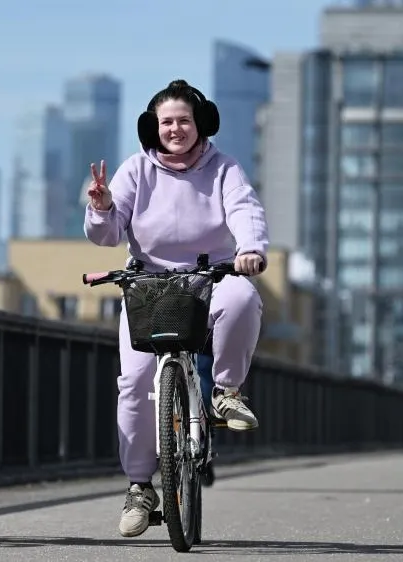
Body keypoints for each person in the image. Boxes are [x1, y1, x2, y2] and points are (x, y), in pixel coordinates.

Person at [83, 79, 268, 537]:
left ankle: (227, 392)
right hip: (149, 284)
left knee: (244, 297)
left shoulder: (224, 169)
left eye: (184, 120)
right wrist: (102, 208)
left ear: (200, 123)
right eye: (166, 122)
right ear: (154, 127)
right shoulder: (134, 170)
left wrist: (250, 249)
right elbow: (107, 235)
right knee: (134, 384)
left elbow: (245, 210)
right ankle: (139, 487)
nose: (175, 129)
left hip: (211, 278)